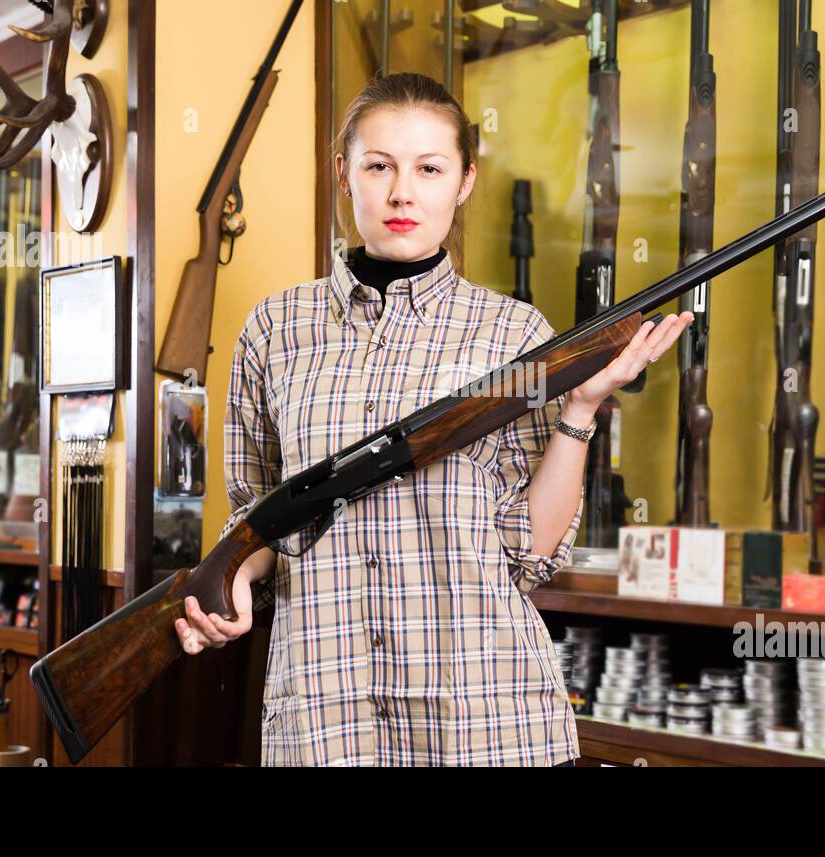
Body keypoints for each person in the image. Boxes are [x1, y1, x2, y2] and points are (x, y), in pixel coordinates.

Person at [174, 72, 692, 766]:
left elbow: (529, 553)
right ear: (343, 172)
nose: (401, 193)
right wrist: (235, 576)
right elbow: (260, 517)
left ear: (465, 180)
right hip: (327, 716)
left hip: (484, 719)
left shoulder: (515, 335)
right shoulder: (274, 330)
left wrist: (581, 408)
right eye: (379, 165)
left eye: (429, 168)